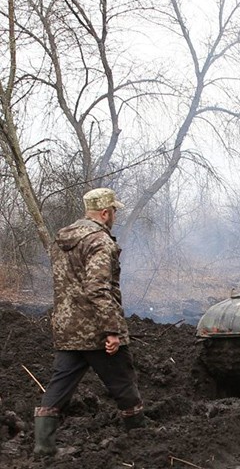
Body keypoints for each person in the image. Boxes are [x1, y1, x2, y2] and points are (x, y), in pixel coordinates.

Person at [34, 188, 145, 457]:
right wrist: (112, 331)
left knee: (60, 385)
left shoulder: (61, 240)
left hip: (66, 328)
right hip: (95, 329)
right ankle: (143, 440)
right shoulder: (100, 242)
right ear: (105, 213)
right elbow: (97, 288)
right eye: (114, 211)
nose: (115, 216)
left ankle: (43, 446)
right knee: (123, 384)